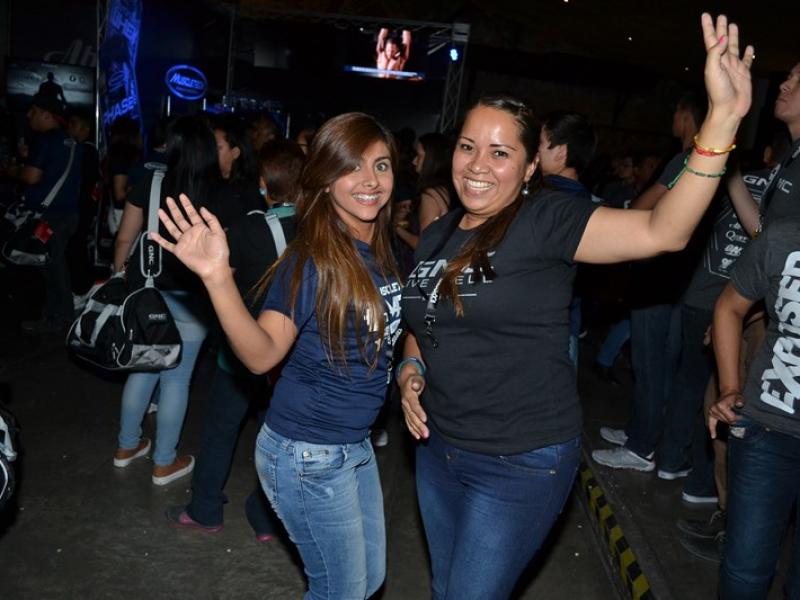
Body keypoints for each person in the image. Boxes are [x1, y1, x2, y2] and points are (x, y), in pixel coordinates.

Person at [398, 14, 752, 599]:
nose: (477, 164)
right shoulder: (437, 235)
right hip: (438, 449)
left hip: (519, 460)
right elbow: (423, 322)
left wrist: (721, 121)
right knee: (446, 588)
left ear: (530, 166)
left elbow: (663, 230)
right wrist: (410, 369)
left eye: (499, 152)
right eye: (467, 146)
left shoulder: (546, 220)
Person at [151, 112, 403, 599]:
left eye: (381, 165)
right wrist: (218, 279)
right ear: (324, 180)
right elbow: (262, 354)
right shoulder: (313, 260)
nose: (370, 180)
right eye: (351, 167)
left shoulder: (377, 251)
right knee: (342, 592)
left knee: (368, 582)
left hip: (353, 444)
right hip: (311, 452)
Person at [165, 140, 305, 541]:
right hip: (293, 356)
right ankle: (266, 519)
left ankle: (205, 509)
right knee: (278, 438)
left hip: (243, 353)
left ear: (263, 185)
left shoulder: (246, 229)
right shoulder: (319, 230)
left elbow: (216, 281)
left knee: (219, 430)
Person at [111, 116, 219, 486]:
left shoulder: (151, 181)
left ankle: (126, 446)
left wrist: (120, 278)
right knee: (176, 379)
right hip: (192, 298)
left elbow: (125, 238)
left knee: (143, 368)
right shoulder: (218, 191)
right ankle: (163, 463)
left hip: (149, 293)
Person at [709, 217, 800, 598]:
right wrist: (730, 387)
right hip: (768, 431)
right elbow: (729, 307)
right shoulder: (783, 238)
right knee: (745, 574)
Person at [14, 91, 83, 333]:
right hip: (68, 214)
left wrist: (14, 170)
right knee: (53, 265)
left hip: (50, 216)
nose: (28, 115)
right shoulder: (71, 142)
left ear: (46, 115)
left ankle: (61, 318)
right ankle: (56, 317)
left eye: (33, 111)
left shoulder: (44, 140)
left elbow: (32, 176)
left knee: (52, 268)